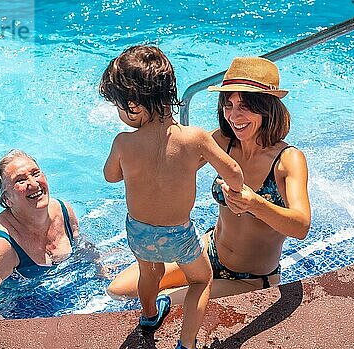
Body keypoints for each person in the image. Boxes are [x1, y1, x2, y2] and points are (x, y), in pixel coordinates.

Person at [107, 57, 311, 306]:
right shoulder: (225, 141)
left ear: (267, 107)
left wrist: (255, 204)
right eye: (228, 104)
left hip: (251, 278)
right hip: (208, 250)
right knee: (118, 290)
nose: (233, 116)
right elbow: (173, 158)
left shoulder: (288, 159)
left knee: (163, 303)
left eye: (244, 106)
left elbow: (301, 227)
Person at [99, 45, 244, 349]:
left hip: (138, 231)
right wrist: (232, 192)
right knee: (201, 279)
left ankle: (149, 316)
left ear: (134, 104)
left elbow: (111, 177)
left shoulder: (124, 142)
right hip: (177, 235)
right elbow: (233, 171)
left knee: (150, 271)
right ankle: (187, 347)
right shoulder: (193, 138)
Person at [0, 149, 80, 320]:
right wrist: (9, 333)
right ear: (7, 199)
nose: (34, 184)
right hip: (7, 299)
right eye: (20, 180)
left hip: (41, 294)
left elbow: (82, 247)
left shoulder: (63, 211)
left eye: (35, 173)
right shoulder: (1, 243)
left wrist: (101, 269)